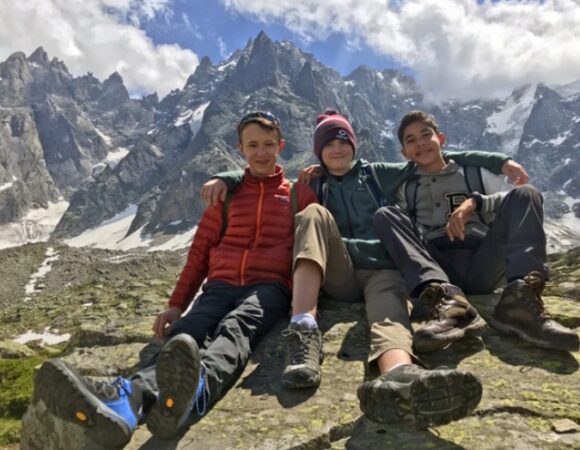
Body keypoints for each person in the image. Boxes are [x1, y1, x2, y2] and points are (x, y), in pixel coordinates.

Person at [202, 109, 525, 427]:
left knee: (388, 314)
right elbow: (266, 178)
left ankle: (400, 377)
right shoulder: (314, 183)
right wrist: (225, 177)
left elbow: (428, 154)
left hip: (382, 270)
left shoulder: (378, 172)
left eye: (343, 141)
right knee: (313, 215)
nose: (337, 149)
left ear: (354, 145)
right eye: (329, 144)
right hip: (339, 272)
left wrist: (498, 162)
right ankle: (303, 328)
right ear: (319, 151)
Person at [32, 111, 318, 448]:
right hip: (220, 286)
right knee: (187, 334)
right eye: (253, 145)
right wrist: (176, 306)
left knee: (236, 331)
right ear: (240, 148)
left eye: (269, 144)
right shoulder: (224, 196)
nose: (261, 152)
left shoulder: (299, 194)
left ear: (281, 145)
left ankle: (193, 392)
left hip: (269, 289)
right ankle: (128, 404)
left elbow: (315, 243)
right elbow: (200, 254)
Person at [373, 110, 579, 353]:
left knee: (528, 193)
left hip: (484, 260)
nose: (420, 143)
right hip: (439, 268)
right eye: (411, 140)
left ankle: (520, 304)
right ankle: (448, 303)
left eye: (426, 135)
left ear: (441, 139)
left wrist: (476, 203)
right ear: (404, 153)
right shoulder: (407, 188)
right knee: (385, 214)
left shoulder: (474, 172)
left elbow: (515, 197)